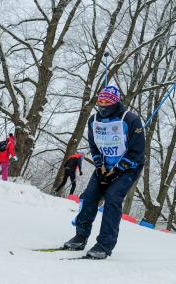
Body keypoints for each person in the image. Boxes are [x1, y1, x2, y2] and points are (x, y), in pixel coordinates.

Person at [63, 85, 145, 259]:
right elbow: (94, 145)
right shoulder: (94, 120)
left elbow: (137, 152)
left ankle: (104, 245)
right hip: (105, 166)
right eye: (100, 101)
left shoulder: (130, 120)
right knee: (90, 196)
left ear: (115, 102)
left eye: (107, 102)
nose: (103, 105)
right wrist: (100, 165)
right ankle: (81, 236)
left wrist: (118, 169)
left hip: (127, 168)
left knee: (113, 198)